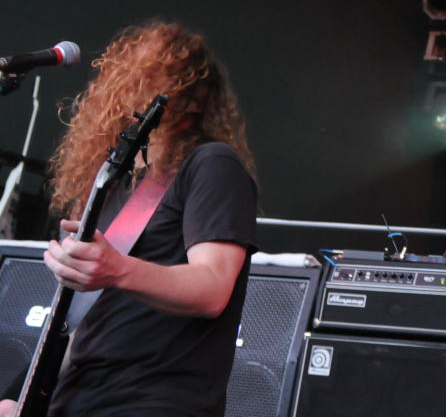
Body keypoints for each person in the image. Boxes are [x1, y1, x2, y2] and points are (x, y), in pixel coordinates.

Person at [1, 21, 258, 417]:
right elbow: (76, 325)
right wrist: (15, 399)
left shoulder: (211, 164)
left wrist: (118, 270)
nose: (134, 82)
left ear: (193, 99)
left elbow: (212, 289)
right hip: (76, 401)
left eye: (155, 74)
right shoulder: (112, 185)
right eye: (130, 72)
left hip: (151, 403)